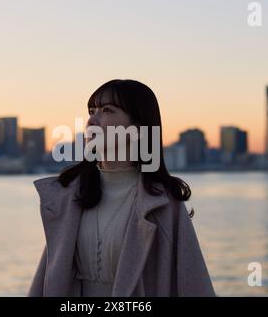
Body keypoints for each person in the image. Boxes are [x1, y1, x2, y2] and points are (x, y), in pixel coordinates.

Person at [28, 79, 215, 296]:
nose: (92, 120)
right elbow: (50, 276)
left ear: (137, 127)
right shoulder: (71, 196)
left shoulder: (163, 204)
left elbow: (194, 286)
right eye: (91, 111)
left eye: (107, 110)